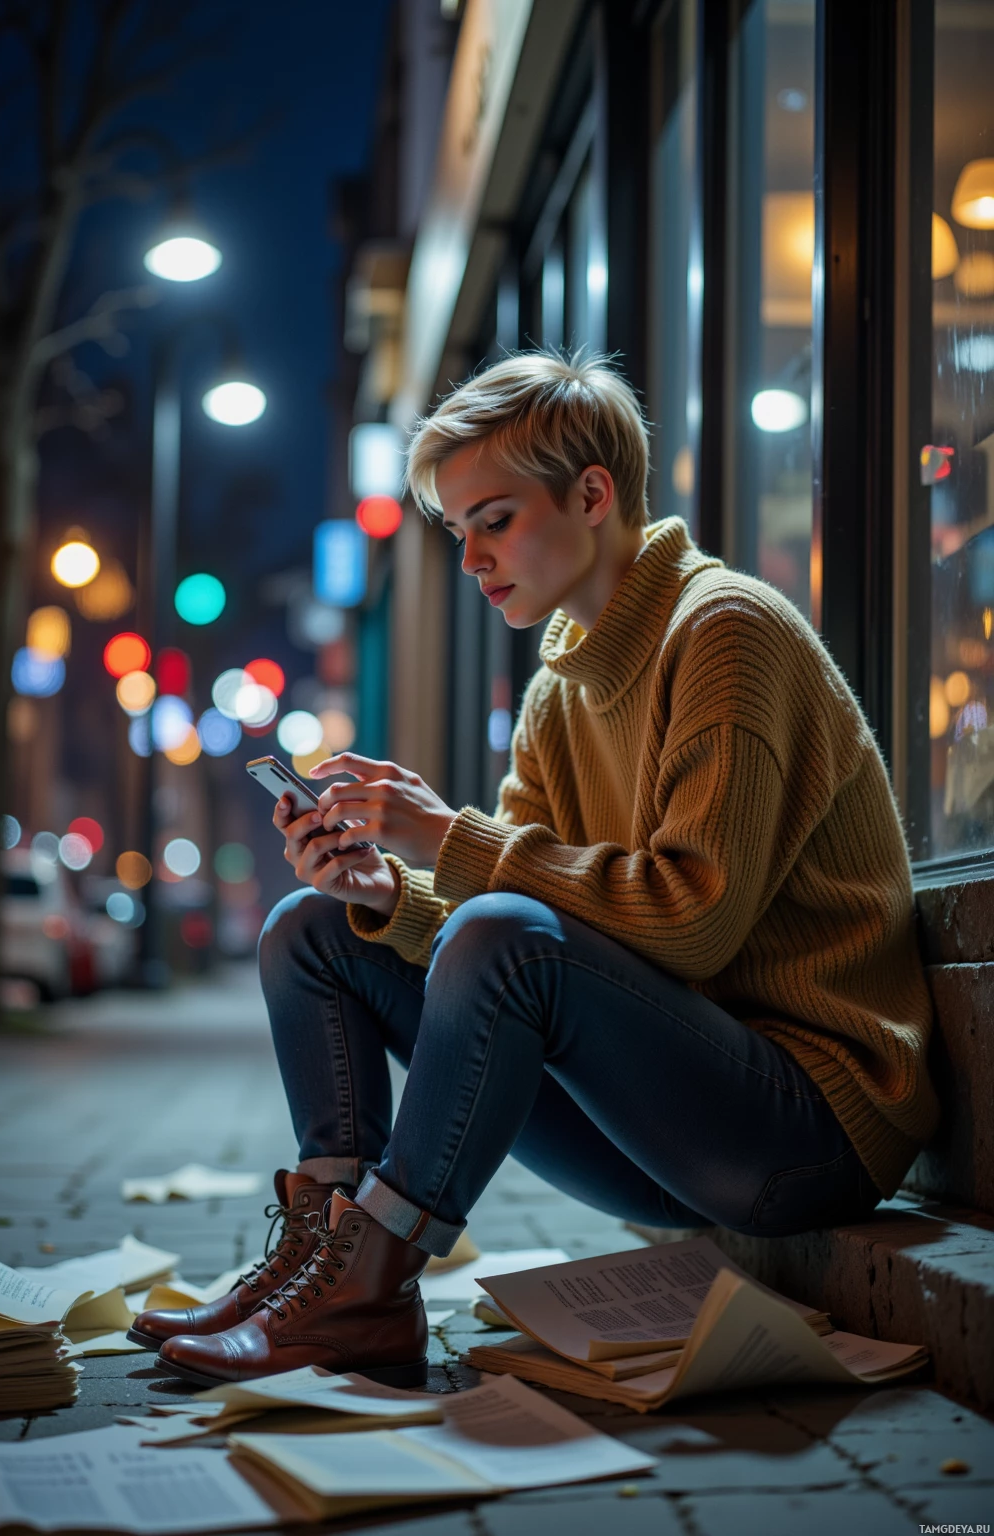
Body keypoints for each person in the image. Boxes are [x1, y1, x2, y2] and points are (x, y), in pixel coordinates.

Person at [133, 351, 939, 1390]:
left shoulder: (727, 634)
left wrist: (443, 839)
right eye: (457, 530)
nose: (470, 559)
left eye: (493, 520)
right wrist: (383, 892)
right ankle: (318, 1260)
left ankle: (366, 1291)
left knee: (499, 936)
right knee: (313, 928)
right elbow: (506, 907)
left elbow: (691, 923)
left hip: (811, 1126)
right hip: (673, 1116)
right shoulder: (565, 680)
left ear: (592, 495)